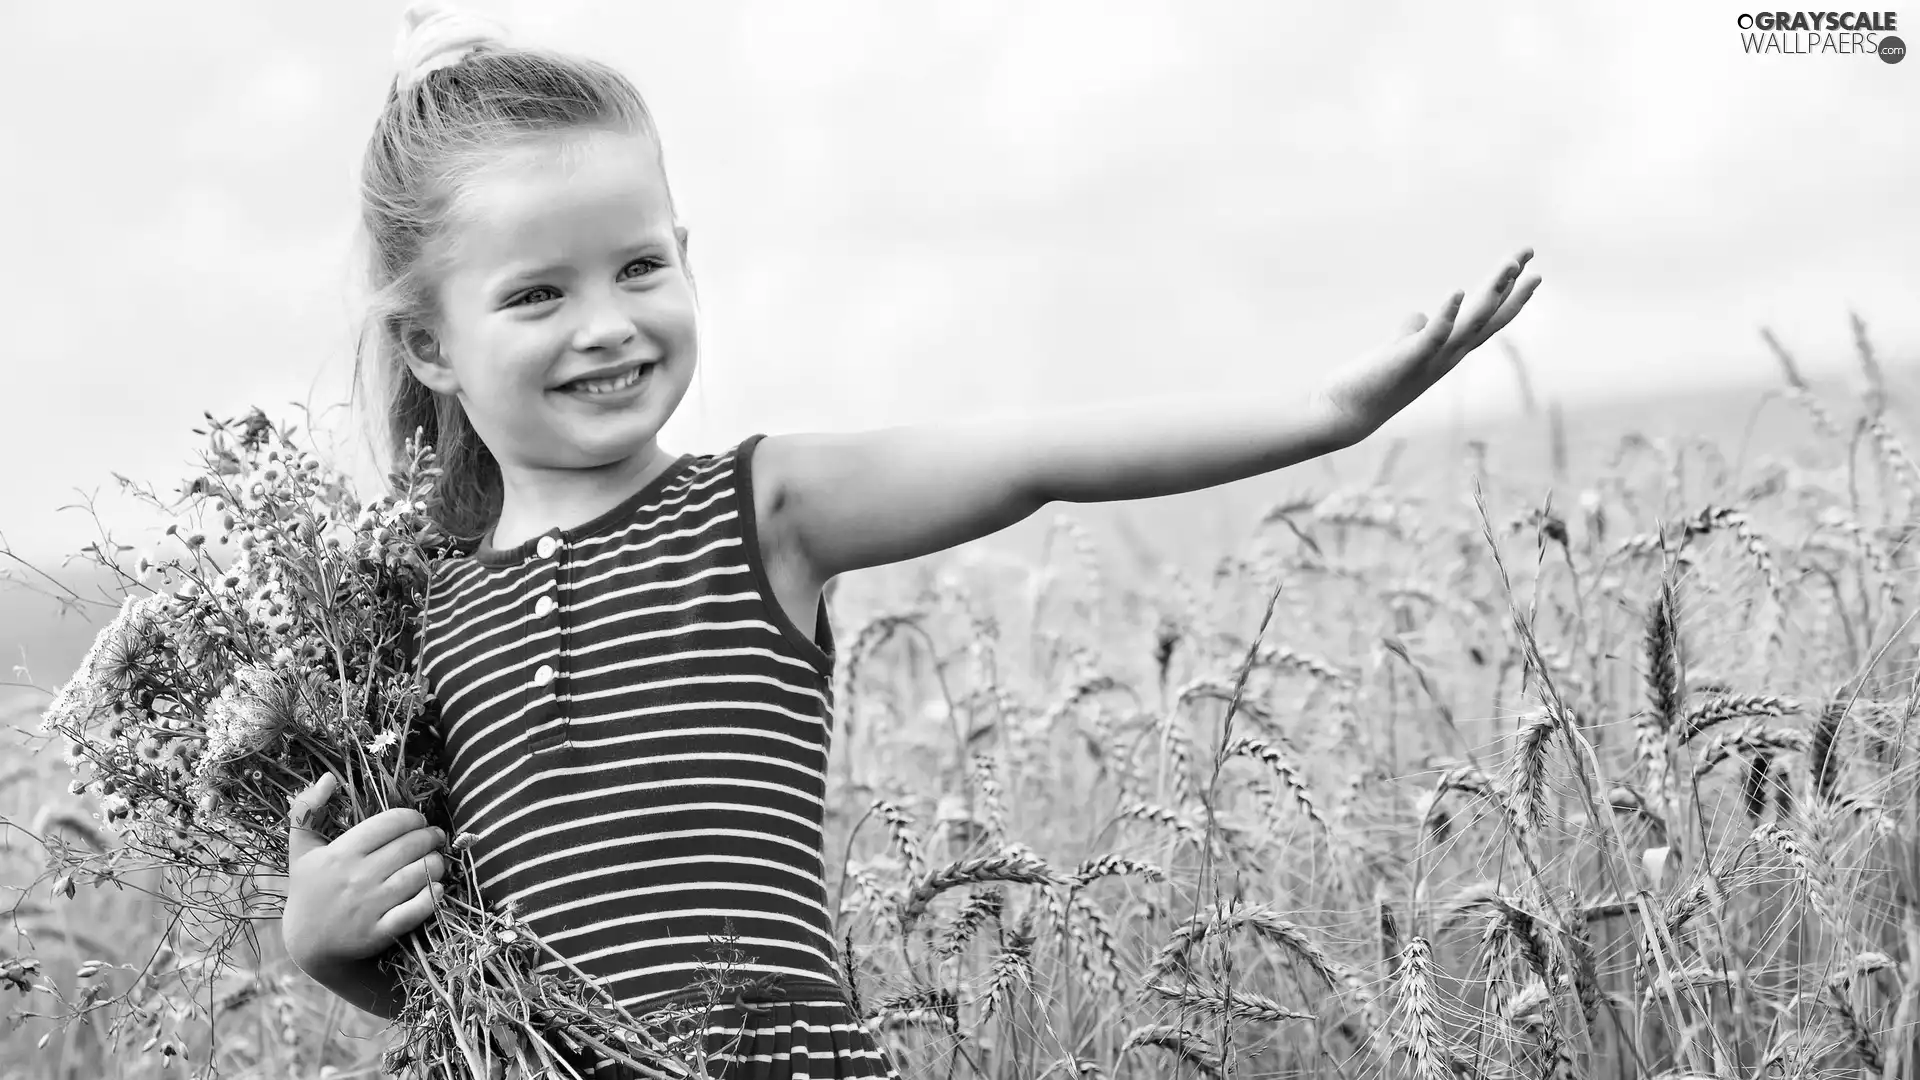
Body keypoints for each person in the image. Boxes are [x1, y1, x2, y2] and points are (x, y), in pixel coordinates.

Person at [278, 3, 1541, 1077]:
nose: (607, 324)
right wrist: (331, 949)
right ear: (432, 344)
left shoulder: (760, 509)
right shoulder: (414, 627)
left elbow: (1036, 458)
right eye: (538, 293)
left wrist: (1328, 414)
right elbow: (477, 993)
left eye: (640, 267)